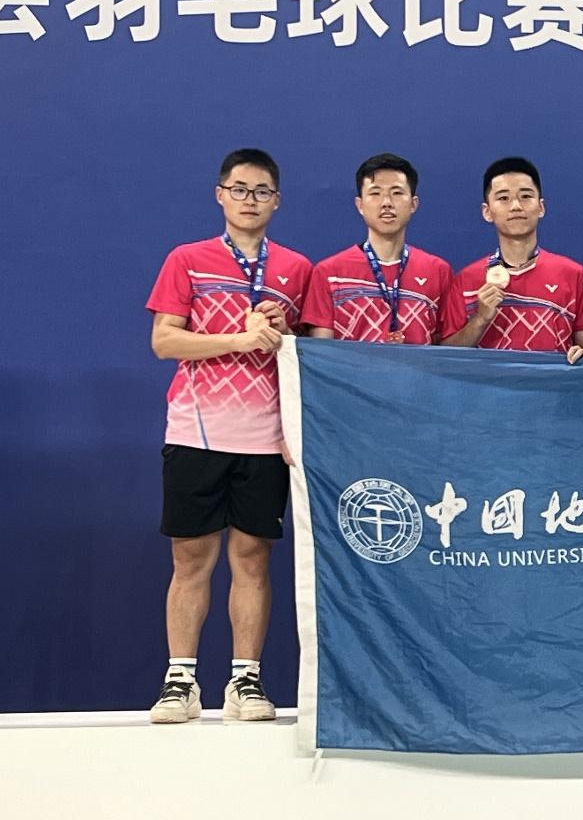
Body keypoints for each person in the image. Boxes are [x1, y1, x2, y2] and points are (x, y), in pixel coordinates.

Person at [145, 148, 312, 724]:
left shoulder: (296, 269)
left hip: (265, 439)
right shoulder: (187, 259)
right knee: (191, 559)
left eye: (261, 191)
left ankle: (246, 681)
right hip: (195, 431)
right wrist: (237, 341)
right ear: (221, 195)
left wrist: (283, 331)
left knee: (253, 561)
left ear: (277, 201)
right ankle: (180, 681)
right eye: (239, 189)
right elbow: (165, 341)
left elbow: (306, 351)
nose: (250, 200)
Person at [442, 157, 583, 362]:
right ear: (487, 212)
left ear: (541, 207)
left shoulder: (573, 274)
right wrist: (480, 319)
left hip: (553, 384)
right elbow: (446, 357)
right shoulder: (466, 280)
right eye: (503, 198)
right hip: (490, 384)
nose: (516, 206)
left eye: (525, 196)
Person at [302, 153, 452, 343]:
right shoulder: (329, 273)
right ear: (360, 205)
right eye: (375, 193)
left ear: (413, 204)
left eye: (397, 193)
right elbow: (321, 351)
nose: (386, 203)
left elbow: (444, 349)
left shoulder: (437, 271)